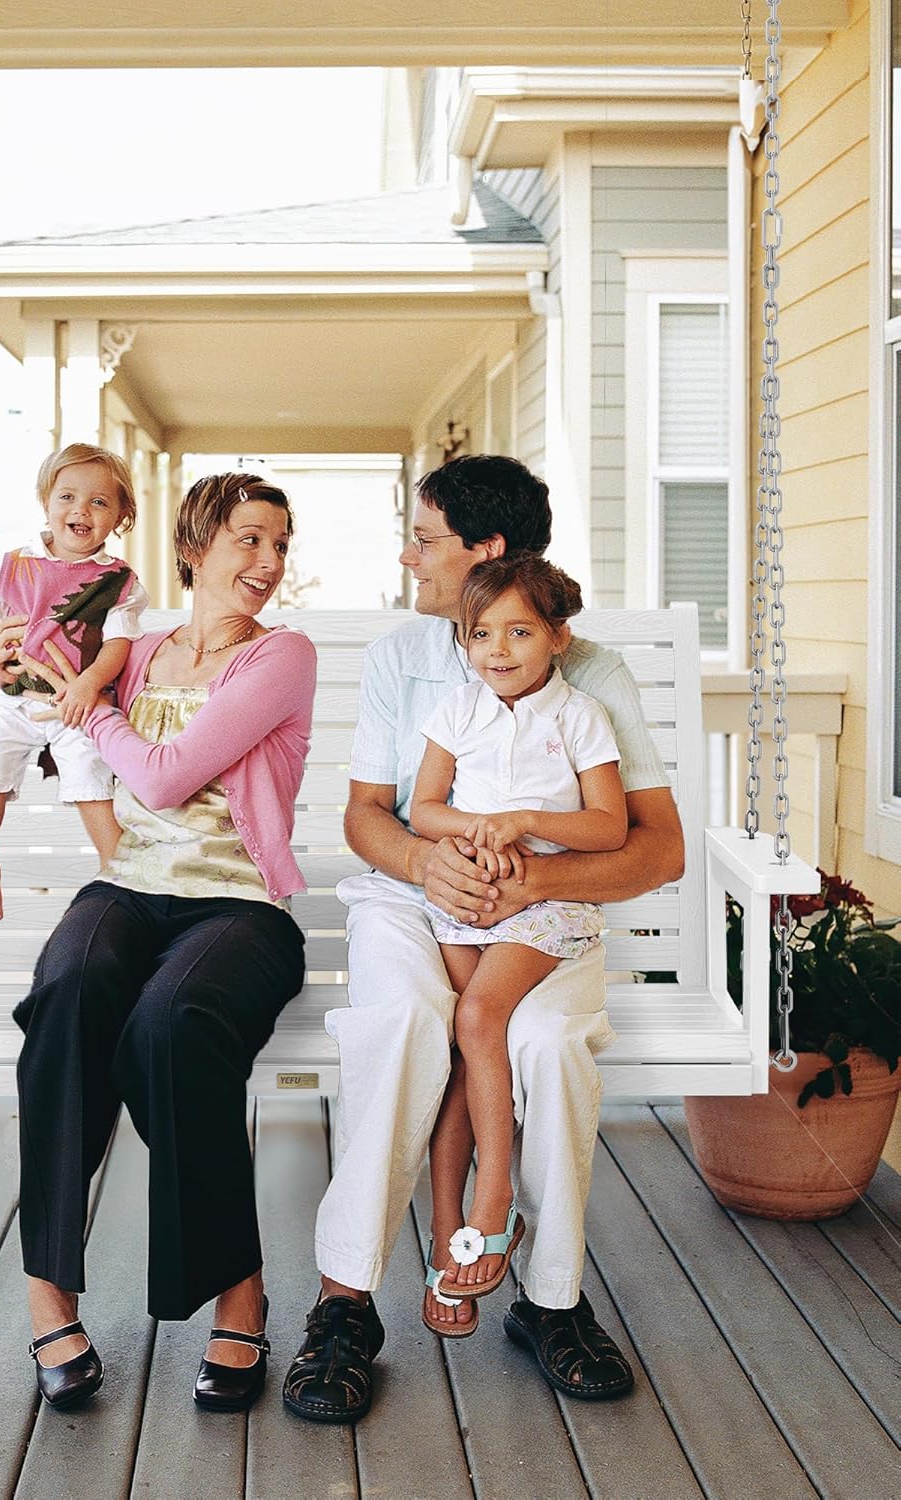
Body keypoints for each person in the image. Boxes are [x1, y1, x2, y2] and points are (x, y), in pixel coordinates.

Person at [283, 455, 684, 1422]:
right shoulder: (401, 659)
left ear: (486, 551)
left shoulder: (591, 680)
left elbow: (657, 849)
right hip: (415, 899)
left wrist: (532, 879)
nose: (410, 558)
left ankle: (548, 1299)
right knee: (403, 1020)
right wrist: (432, 866)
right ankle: (344, 1305)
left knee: (545, 1040)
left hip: (540, 911)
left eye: (424, 540)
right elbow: (371, 816)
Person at [10, 472, 316, 1415]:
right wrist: (50, 663)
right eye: (248, 541)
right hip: (129, 889)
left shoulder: (282, 656)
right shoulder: (137, 650)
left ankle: (240, 1291)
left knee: (170, 1027)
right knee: (66, 994)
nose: (267, 563)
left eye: (278, 544)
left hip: (239, 905)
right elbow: (30, 656)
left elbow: (167, 777)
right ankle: (46, 1294)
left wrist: (95, 710)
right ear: (194, 548)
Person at [408, 553, 626, 1338]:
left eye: (519, 632)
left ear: (559, 637)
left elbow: (609, 827)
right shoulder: (459, 710)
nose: (496, 649)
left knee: (476, 1021)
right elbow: (425, 808)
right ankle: (448, 1234)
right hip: (467, 902)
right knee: (463, 1053)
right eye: (480, 634)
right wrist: (474, 829)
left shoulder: (578, 717)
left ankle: (492, 1197)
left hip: (544, 902)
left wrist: (525, 818)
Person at [0, 442, 148, 922]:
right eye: (67, 496)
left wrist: (89, 686)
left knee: (91, 777)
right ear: (46, 502)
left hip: (76, 704)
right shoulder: (10, 567)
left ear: (121, 516)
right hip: (14, 699)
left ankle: (120, 875)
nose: (80, 509)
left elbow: (117, 644)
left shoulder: (119, 581)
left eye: (100, 502)